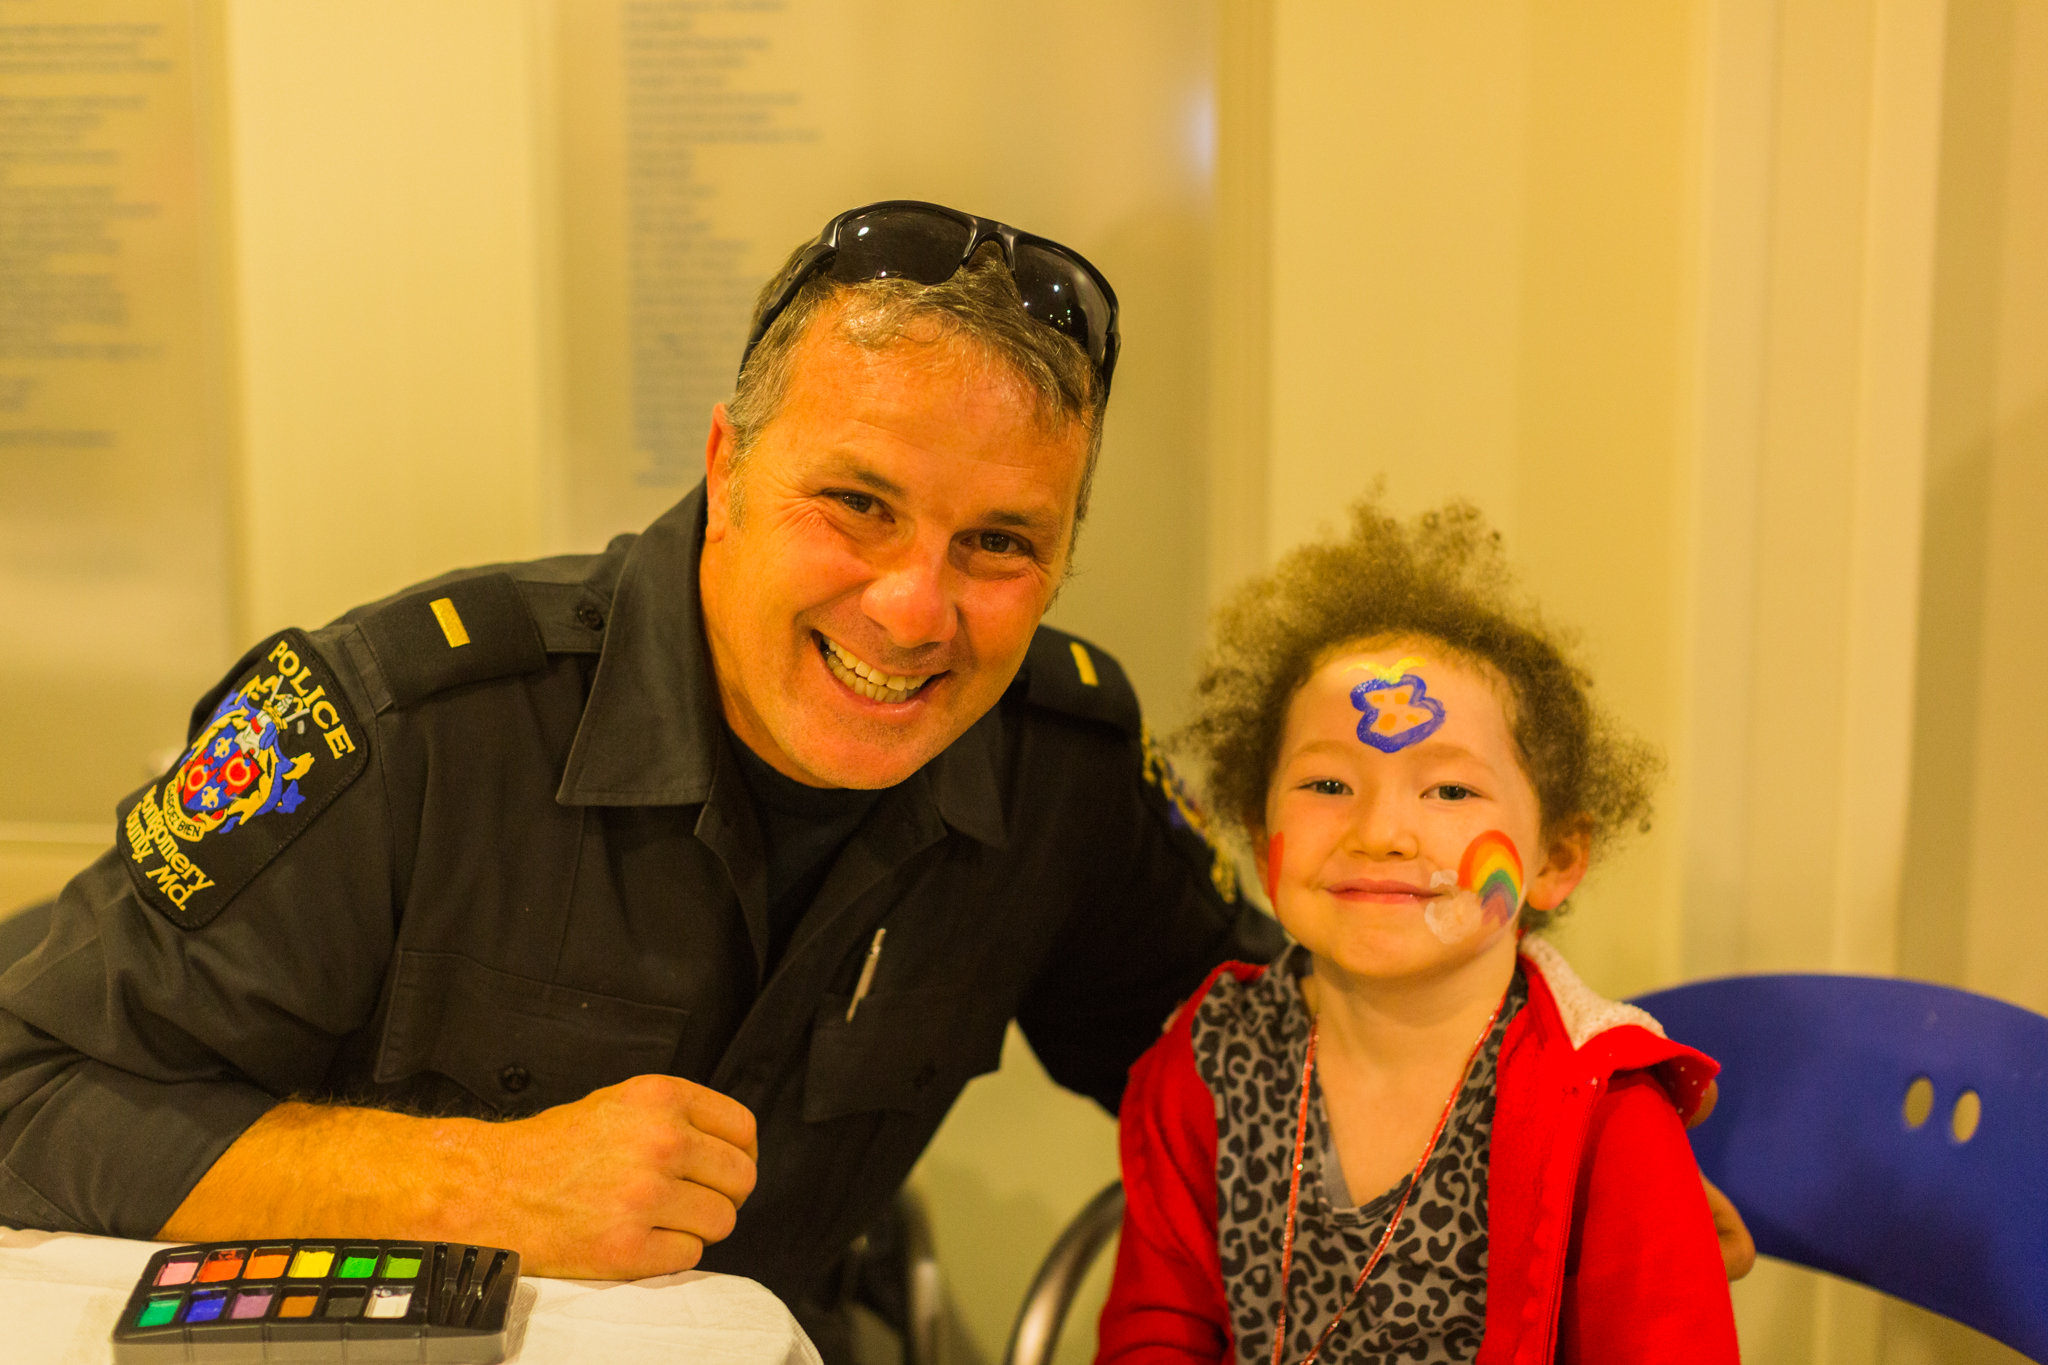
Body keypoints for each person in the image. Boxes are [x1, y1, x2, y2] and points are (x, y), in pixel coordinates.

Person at [0, 201, 1281, 1351]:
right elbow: (24, 1093)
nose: (912, 611)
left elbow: (1285, 1082)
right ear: (726, 468)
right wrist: (472, 1186)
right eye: (857, 503)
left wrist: (1419, 891)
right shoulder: (405, 720)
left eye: (999, 542)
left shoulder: (1062, 770)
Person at [1096, 499, 1741, 1363]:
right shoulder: (1208, 1061)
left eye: (1448, 792)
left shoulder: (1609, 1116)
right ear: (1258, 837)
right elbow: (1159, 1330)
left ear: (1556, 857)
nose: (1381, 832)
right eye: (1327, 786)